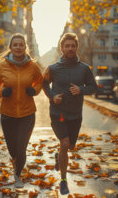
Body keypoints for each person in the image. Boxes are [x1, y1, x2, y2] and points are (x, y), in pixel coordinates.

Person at [42, 33, 97, 195]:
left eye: (73, 45)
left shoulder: (84, 68)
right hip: (57, 113)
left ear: (76, 47)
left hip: (75, 115)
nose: (70, 48)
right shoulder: (53, 68)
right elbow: (44, 83)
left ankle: (59, 156)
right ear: (62, 48)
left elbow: (93, 87)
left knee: (70, 146)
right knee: (65, 143)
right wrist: (52, 96)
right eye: (67, 46)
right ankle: (63, 181)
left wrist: (81, 89)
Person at [0, 33, 43, 188]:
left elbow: (40, 81)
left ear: (25, 47)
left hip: (27, 114)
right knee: (13, 149)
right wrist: (1, 91)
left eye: (21, 44)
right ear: (11, 48)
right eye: (15, 45)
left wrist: (35, 90)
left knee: (21, 148)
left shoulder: (32, 66)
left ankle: (17, 175)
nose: (18, 47)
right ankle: (16, 163)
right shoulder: (2, 66)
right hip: (8, 114)